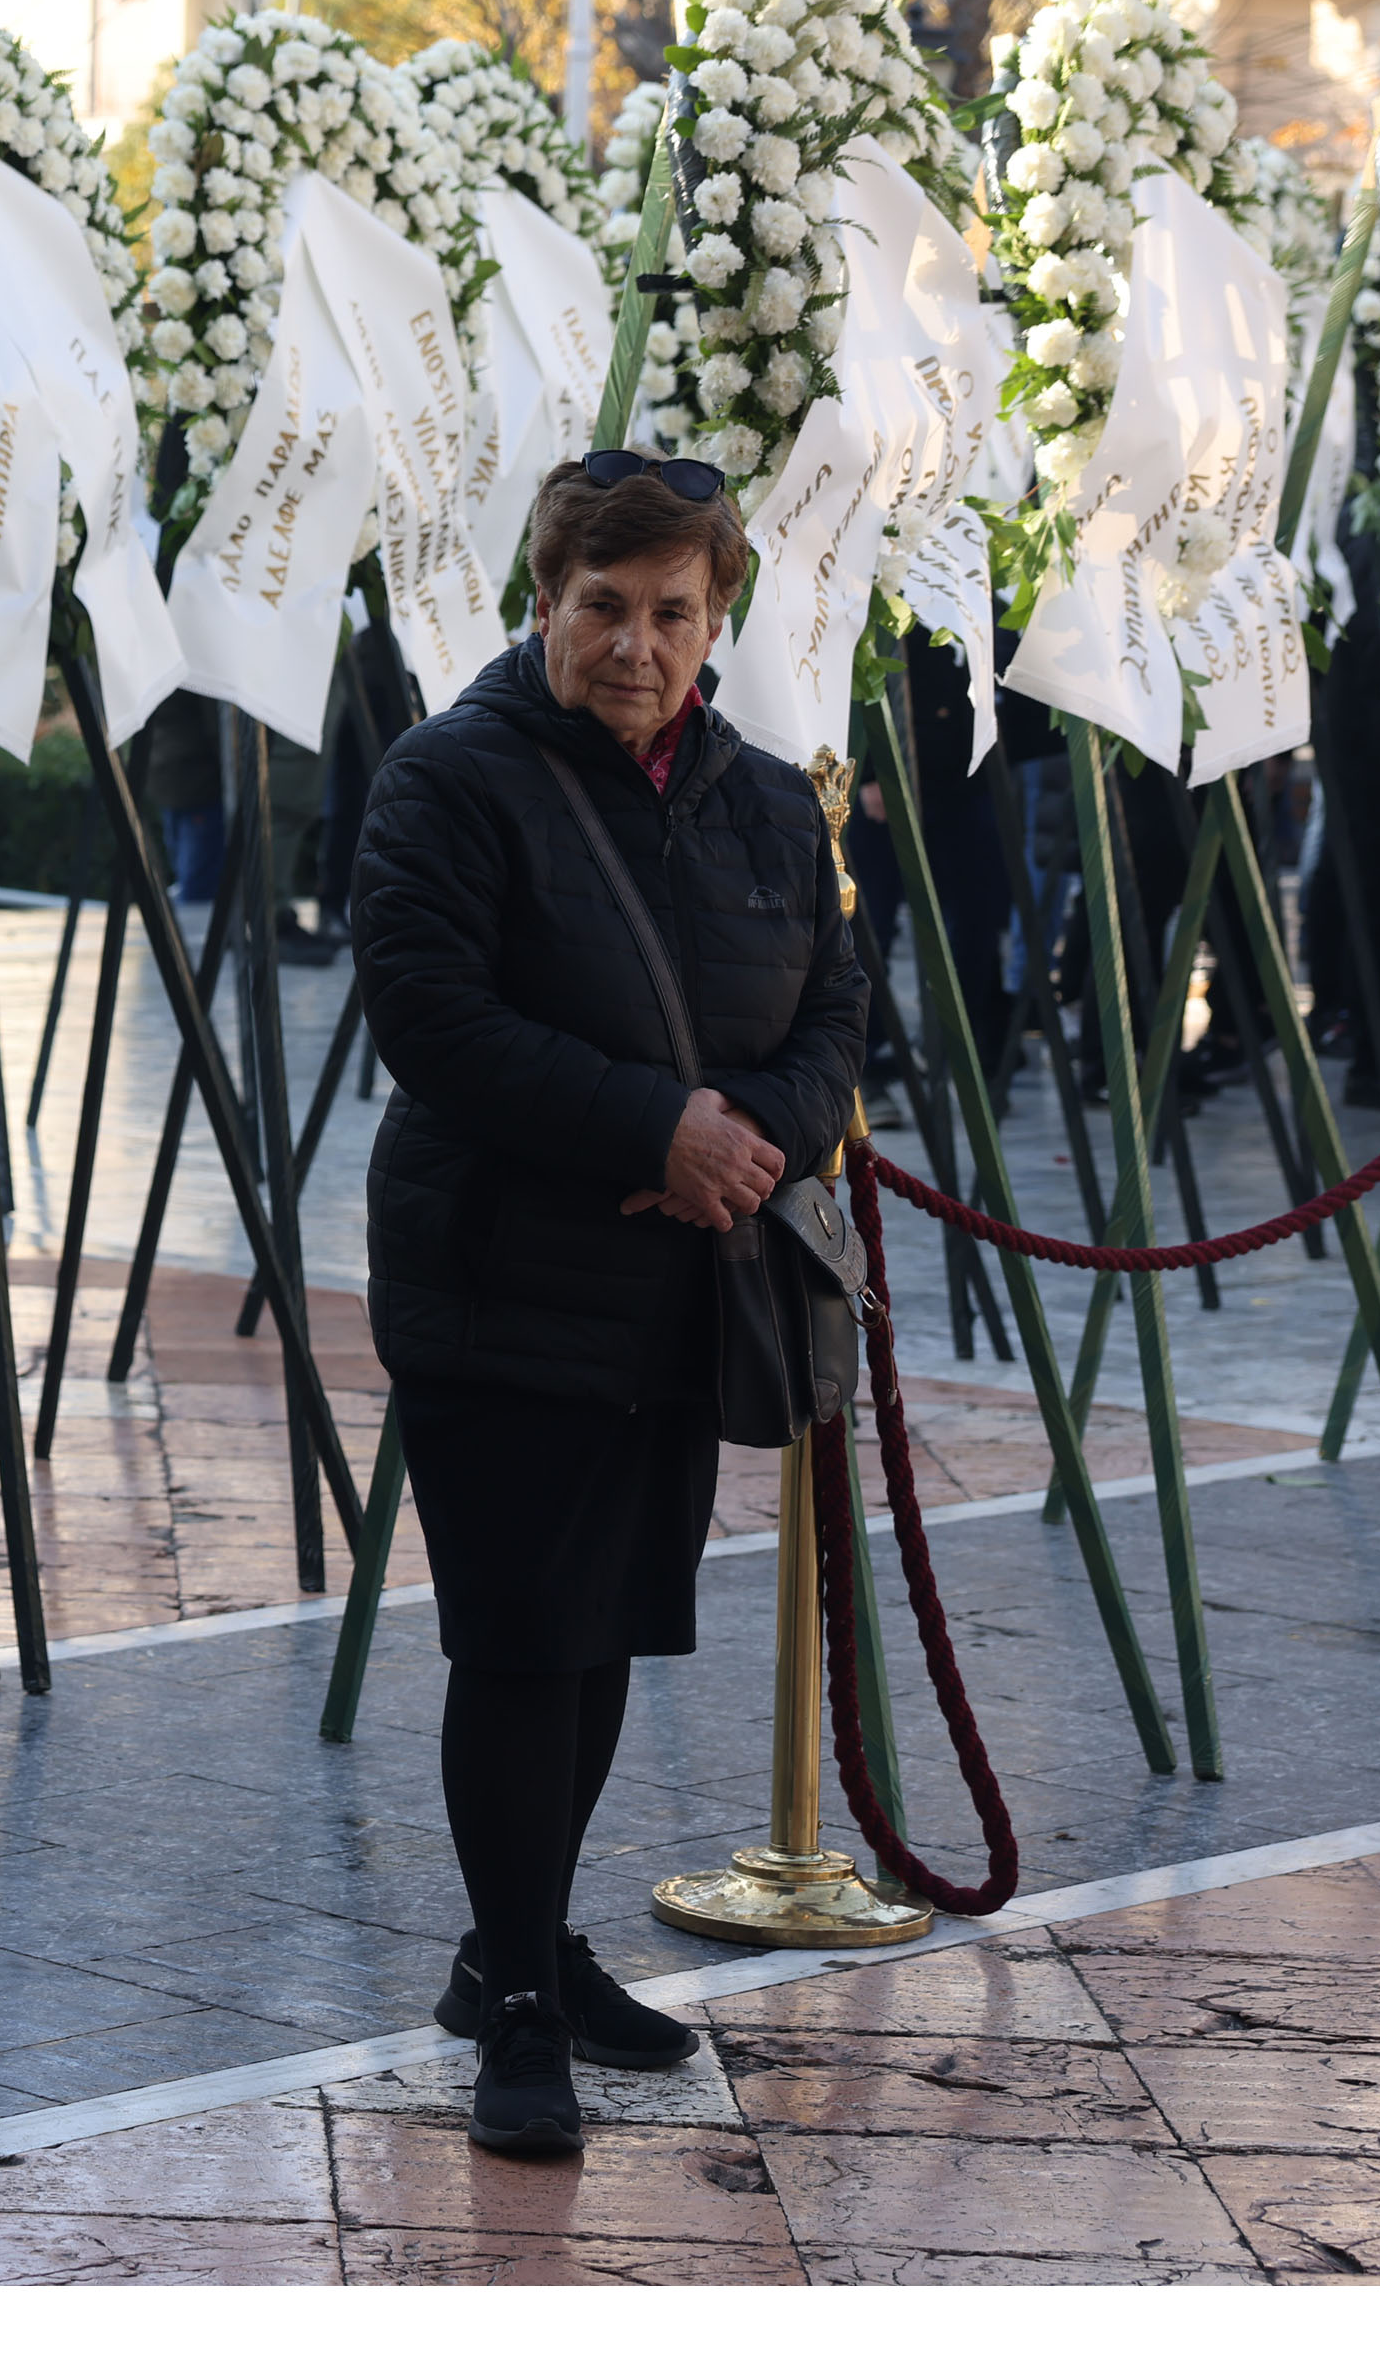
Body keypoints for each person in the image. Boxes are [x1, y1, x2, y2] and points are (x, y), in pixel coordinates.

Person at [346, 452, 867, 2159]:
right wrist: (654, 1124)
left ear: (715, 619)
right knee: (520, 1636)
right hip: (499, 1276)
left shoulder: (768, 799)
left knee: (602, 1636)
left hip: (676, 1282)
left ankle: (529, 1945)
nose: (634, 645)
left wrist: (742, 1145)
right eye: (601, 608)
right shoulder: (449, 779)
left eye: (670, 613)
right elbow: (433, 1019)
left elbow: (837, 1027)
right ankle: (510, 2003)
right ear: (543, 600)